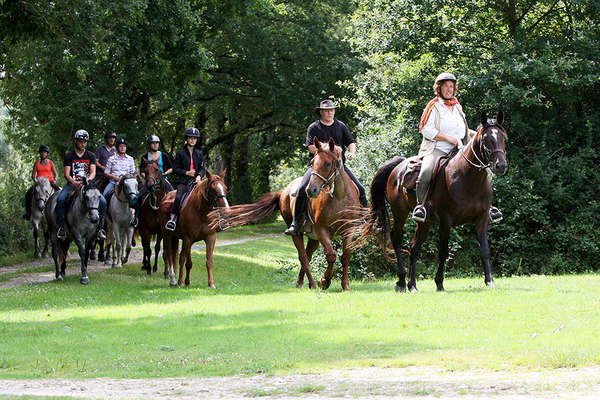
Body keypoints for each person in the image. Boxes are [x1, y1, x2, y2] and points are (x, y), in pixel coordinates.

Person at [413, 72, 502, 223]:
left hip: (459, 149)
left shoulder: (457, 106)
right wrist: (448, 138)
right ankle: (421, 206)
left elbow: (463, 130)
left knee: (485, 170)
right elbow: (426, 130)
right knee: (426, 171)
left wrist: (477, 135)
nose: (449, 89)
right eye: (446, 86)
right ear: (439, 88)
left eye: (451, 86)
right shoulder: (433, 106)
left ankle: (489, 207)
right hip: (438, 148)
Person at [284, 99, 368, 236]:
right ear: (321, 112)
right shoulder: (313, 127)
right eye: (327, 111)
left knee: (360, 188)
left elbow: (351, 142)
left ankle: (365, 222)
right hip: (318, 168)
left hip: (338, 167)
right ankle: (296, 223)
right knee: (301, 189)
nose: (330, 113)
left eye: (332, 110)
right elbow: (311, 147)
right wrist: (332, 148)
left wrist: (352, 152)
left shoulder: (341, 126)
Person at [55, 130, 107, 240]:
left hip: (88, 185)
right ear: (76, 141)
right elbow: (66, 174)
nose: (83, 144)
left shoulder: (91, 155)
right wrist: (74, 182)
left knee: (103, 201)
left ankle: (100, 229)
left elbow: (93, 172)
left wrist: (87, 180)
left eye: (85, 142)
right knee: (60, 199)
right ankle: (61, 227)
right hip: (72, 184)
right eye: (80, 142)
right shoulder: (70, 156)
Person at [165, 127, 205, 231]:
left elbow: (202, 168)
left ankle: (215, 219)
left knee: (209, 195)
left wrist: (199, 175)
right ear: (187, 139)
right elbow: (175, 169)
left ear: (197, 140)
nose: (192, 140)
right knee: (178, 198)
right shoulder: (180, 153)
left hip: (197, 181)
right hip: (184, 181)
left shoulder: (200, 153)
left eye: (194, 138)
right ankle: (173, 220)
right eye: (190, 138)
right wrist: (186, 172)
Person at [133, 135, 174, 227]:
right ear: (149, 145)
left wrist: (165, 173)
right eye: (153, 143)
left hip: (163, 180)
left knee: (174, 195)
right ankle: (136, 218)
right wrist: (147, 178)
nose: (155, 145)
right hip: (150, 181)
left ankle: (173, 219)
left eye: (157, 143)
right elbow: (142, 172)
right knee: (139, 197)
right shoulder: (145, 156)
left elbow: (171, 168)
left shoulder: (163, 155)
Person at [23, 145, 60, 220]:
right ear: (40, 153)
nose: (43, 154)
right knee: (28, 194)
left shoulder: (50, 162)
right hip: (39, 183)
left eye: (45, 152)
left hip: (49, 182)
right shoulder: (36, 163)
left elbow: (56, 174)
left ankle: (59, 213)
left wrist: (55, 180)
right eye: (42, 152)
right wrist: (36, 182)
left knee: (60, 192)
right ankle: (28, 213)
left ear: (47, 154)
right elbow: (33, 175)